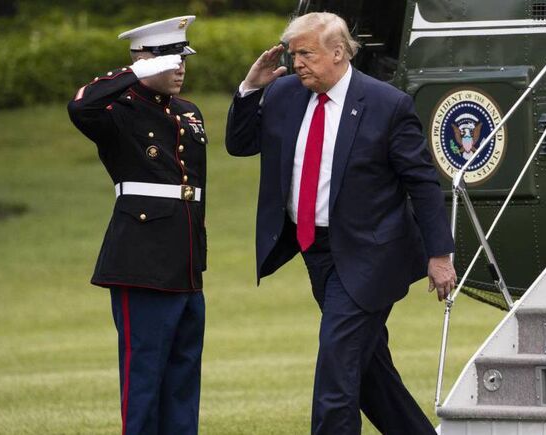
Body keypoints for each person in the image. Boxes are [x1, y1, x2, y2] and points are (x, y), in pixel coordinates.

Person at [225, 11, 457, 435]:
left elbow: (422, 183)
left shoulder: (387, 104)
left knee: (336, 366)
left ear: (338, 52)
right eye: (293, 54)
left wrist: (439, 254)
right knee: (367, 372)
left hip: (373, 253)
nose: (297, 64)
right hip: (316, 251)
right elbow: (240, 145)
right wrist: (250, 89)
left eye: (306, 54)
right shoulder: (283, 94)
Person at [67, 16, 208, 435]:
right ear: (144, 61)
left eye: (183, 59)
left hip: (185, 259)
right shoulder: (117, 112)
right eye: (170, 60)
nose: (180, 68)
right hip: (141, 261)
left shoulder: (188, 112)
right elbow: (80, 106)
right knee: (144, 374)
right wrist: (136, 71)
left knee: (183, 375)